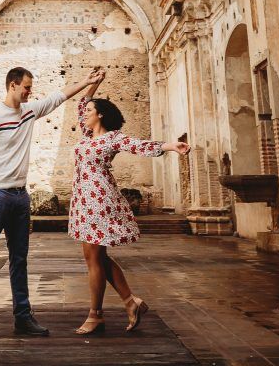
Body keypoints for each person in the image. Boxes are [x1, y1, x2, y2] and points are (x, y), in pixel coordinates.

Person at [0, 64, 105, 341]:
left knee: (19, 259)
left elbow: (58, 97)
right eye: (26, 87)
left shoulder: (29, 111)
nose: (30, 92)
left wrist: (86, 81)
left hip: (19, 197)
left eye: (31, 88)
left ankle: (22, 317)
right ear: (13, 85)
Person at [69, 89, 190, 335]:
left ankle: (95, 316)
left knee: (93, 259)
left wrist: (170, 146)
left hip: (99, 201)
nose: (84, 114)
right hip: (83, 201)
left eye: (90, 111)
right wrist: (92, 84)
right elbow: (81, 103)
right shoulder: (86, 136)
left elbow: (138, 145)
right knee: (99, 258)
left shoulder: (112, 138)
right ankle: (130, 302)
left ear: (100, 115)